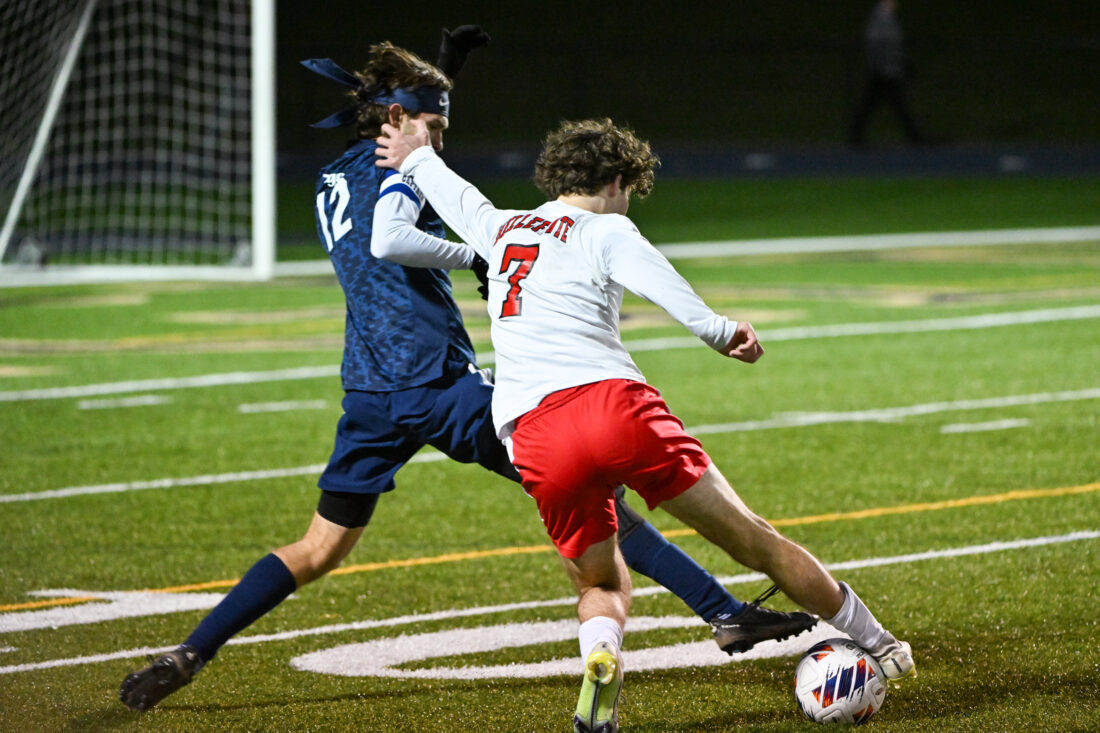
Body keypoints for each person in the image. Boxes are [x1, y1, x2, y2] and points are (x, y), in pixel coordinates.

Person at [117, 33, 814, 713]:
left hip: (369, 389)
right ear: (395, 119)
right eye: (432, 126)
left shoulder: (338, 174)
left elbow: (413, 155)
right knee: (595, 490)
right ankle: (723, 610)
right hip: (441, 383)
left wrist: (442, 76)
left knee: (319, 546)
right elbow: (393, 230)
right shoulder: (394, 167)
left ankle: (191, 650)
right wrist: (474, 256)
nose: (439, 143)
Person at [374, 117, 917, 732]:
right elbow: (676, 297)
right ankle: (884, 647)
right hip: (614, 409)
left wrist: (412, 152)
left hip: (535, 435)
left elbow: (446, 186)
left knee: (600, 583)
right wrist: (724, 333)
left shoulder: (498, 226)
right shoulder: (607, 230)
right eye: (629, 186)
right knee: (754, 539)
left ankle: (601, 660)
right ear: (612, 178)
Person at [848, 0, 926, 146]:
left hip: (887, 69)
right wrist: (887, 63)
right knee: (890, 103)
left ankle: (856, 135)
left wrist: (901, 62)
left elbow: (893, 44)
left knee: (882, 103)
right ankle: (915, 136)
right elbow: (879, 44)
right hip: (884, 70)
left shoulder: (886, 18)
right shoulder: (882, 19)